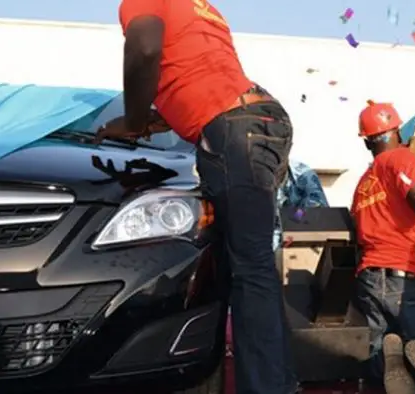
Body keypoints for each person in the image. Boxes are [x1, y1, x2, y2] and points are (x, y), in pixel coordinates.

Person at [95, 1, 296, 393]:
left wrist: (133, 121)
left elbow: (145, 47)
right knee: (253, 267)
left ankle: (268, 387)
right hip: (261, 119)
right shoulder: (201, 9)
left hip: (234, 132)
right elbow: (198, 79)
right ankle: (279, 381)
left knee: (249, 270)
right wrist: (154, 119)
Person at [350, 102, 415, 394]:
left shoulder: (362, 185)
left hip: (369, 278)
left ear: (367, 141)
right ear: (395, 131)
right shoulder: (400, 159)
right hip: (406, 277)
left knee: (381, 365)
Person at [273, 159, 330, 250]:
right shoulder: (255, 173)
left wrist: (294, 221)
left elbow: (317, 204)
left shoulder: (304, 174)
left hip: (303, 229)